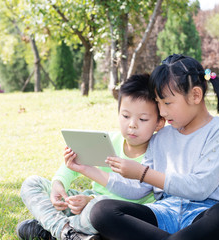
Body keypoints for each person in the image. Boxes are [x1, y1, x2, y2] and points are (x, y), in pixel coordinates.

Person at [86, 54, 219, 240]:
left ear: (195, 95)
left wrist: (142, 172)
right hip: (164, 212)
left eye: (167, 102)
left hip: (203, 216)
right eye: (158, 103)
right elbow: (139, 188)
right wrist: (87, 169)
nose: (162, 112)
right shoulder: (161, 137)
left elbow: (200, 187)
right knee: (101, 211)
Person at [17, 73, 165, 240]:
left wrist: (91, 199)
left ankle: (51, 229)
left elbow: (134, 193)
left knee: (97, 208)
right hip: (85, 204)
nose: (132, 124)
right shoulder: (108, 141)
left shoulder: (156, 153)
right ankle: (66, 232)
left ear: (159, 122)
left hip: (115, 214)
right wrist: (58, 184)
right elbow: (75, 163)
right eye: (125, 116)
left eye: (143, 119)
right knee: (32, 183)